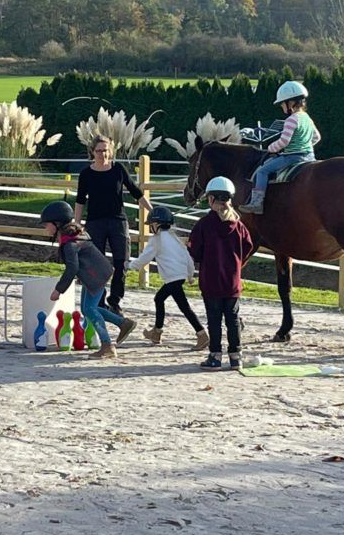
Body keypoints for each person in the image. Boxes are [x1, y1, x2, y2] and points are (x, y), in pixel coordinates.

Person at [40, 200, 138, 359]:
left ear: (57, 223)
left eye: (46, 225)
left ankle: (107, 345)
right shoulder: (74, 236)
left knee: (90, 310)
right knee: (87, 309)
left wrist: (59, 290)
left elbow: (72, 268)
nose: (45, 228)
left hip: (95, 276)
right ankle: (123, 323)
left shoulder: (70, 243)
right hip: (95, 275)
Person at [74, 135, 153, 316]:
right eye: (99, 151)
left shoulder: (118, 169)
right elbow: (80, 200)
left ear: (111, 151)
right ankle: (99, 300)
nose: (103, 154)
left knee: (121, 261)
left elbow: (136, 192)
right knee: (97, 263)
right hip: (95, 223)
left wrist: (152, 211)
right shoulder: (86, 174)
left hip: (118, 221)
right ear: (92, 152)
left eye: (106, 150)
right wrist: (77, 224)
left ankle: (115, 300)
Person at [188, 177, 254, 371]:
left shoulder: (204, 224)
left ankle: (215, 356)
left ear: (211, 199)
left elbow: (195, 250)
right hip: (232, 280)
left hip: (211, 280)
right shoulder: (239, 227)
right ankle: (236, 356)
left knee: (214, 319)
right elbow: (248, 247)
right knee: (233, 319)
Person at [126, 206, 209, 350]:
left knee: (184, 307)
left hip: (172, 277)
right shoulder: (174, 238)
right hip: (179, 276)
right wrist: (190, 275)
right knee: (159, 299)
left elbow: (145, 257)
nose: (150, 227)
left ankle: (202, 334)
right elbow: (187, 257)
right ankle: (156, 332)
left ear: (157, 224)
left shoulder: (156, 240)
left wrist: (129, 265)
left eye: (151, 224)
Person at [240, 80, 321, 215]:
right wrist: (305, 145)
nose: (282, 106)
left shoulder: (291, 120)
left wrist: (271, 148)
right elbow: (317, 137)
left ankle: (256, 204)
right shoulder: (306, 117)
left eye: (282, 103)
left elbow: (284, 141)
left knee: (262, 171)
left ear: (290, 102)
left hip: (292, 157)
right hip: (309, 156)